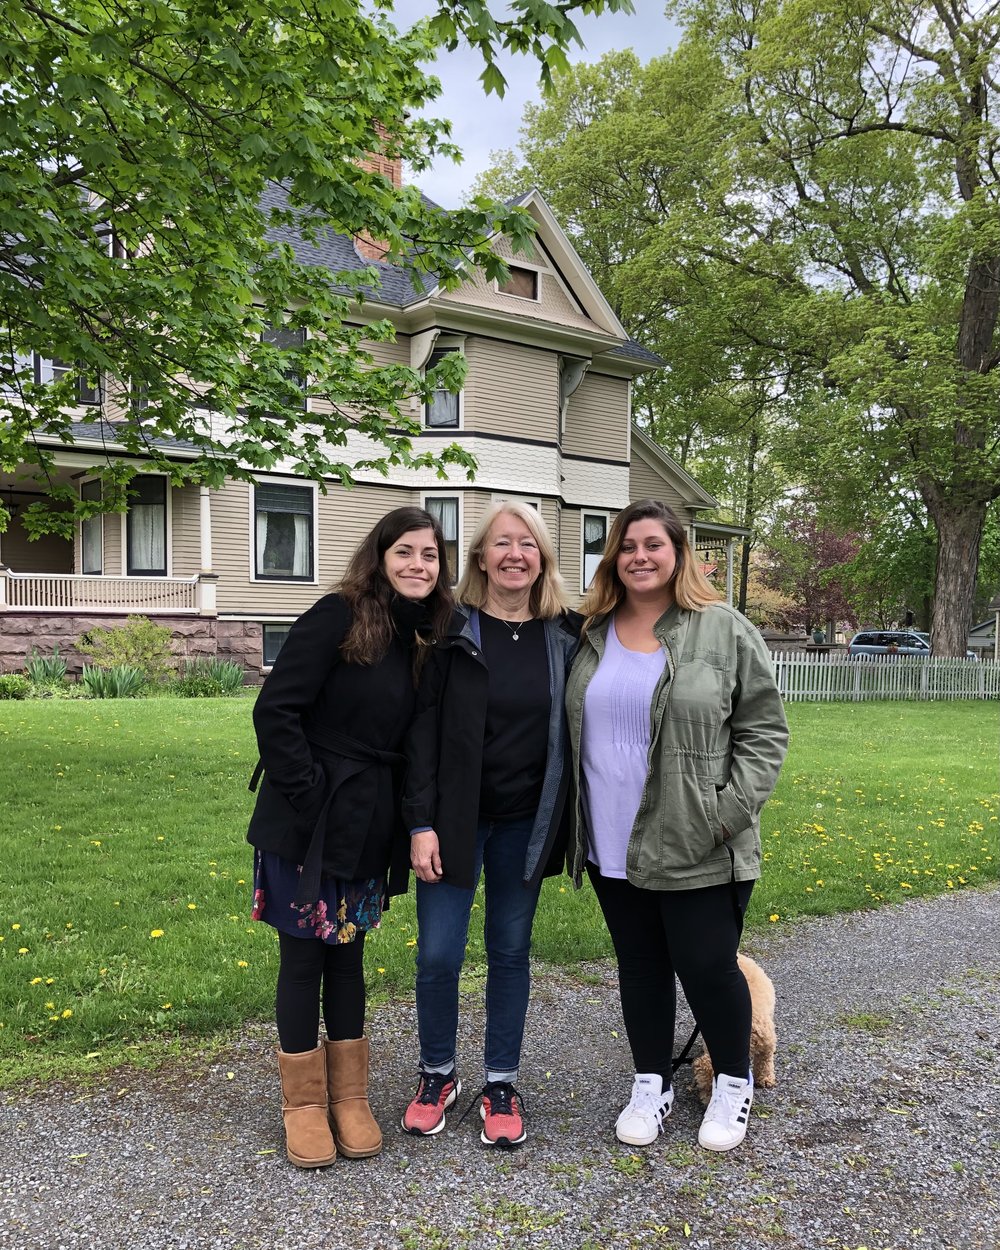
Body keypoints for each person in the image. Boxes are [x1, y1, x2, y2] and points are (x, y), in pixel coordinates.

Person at [565, 499, 788, 1153]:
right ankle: (651, 1083)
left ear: (678, 553)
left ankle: (733, 1083)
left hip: (698, 838)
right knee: (639, 967)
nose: (639, 556)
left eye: (653, 544)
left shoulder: (722, 628)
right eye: (628, 545)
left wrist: (725, 815)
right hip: (611, 837)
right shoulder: (590, 631)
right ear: (614, 558)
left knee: (707, 966)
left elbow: (764, 730)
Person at [246, 506, 453, 1169]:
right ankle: (304, 1106)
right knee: (304, 959)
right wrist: (309, 796)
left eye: (430, 554)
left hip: (369, 822)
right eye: (406, 552)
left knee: (348, 957)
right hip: (307, 822)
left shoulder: (422, 635)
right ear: (380, 555)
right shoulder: (339, 613)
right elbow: (276, 709)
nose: (419, 564)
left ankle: (349, 1098)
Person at [400, 501, 581, 1148]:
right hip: (453, 824)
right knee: (439, 954)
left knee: (510, 952)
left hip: (525, 826)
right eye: (501, 543)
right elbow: (420, 735)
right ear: (479, 556)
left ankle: (500, 1081)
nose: (514, 554)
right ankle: (438, 1073)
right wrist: (419, 823)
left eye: (527, 544)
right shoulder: (450, 631)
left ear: (542, 558)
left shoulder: (568, 637)